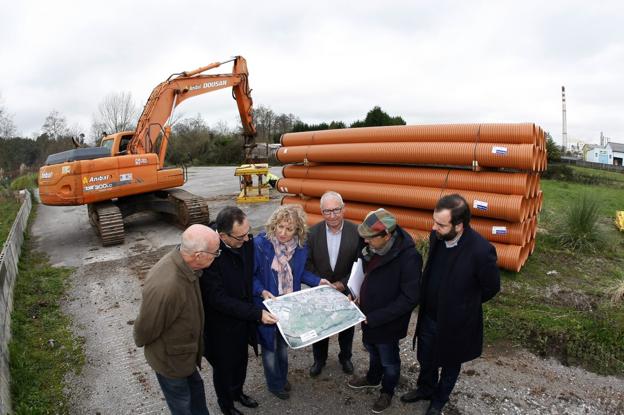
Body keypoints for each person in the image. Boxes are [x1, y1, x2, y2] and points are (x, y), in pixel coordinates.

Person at [401, 194, 501, 415]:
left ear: (459, 225)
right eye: (434, 221)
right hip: (429, 314)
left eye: (441, 224)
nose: (434, 228)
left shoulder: (481, 251)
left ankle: (438, 400)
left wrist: (464, 305)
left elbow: (491, 287)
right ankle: (425, 388)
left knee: (450, 362)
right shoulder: (438, 237)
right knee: (426, 356)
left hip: (457, 322)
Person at [133, 224, 220, 415]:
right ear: (198, 255)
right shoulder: (168, 286)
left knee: (196, 393)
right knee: (182, 406)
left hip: (184, 356)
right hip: (170, 361)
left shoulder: (186, 265)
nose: (217, 256)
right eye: (215, 253)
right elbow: (146, 329)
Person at [200, 206, 278, 415]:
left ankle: (238, 393)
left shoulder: (245, 242)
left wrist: (260, 291)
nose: (246, 240)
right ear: (223, 235)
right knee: (224, 367)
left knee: (241, 361)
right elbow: (218, 299)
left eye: (248, 233)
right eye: (241, 236)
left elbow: (249, 274)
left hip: (243, 319)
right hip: (221, 326)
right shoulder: (209, 254)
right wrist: (256, 314)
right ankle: (226, 404)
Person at [348, 208, 421, 414]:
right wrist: (353, 293)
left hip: (387, 322)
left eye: (370, 238)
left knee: (389, 360)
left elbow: (410, 298)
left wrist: (376, 317)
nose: (365, 242)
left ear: (387, 235)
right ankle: (372, 378)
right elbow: (360, 272)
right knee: (372, 350)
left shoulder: (409, 258)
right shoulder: (370, 248)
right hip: (367, 317)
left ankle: (387, 391)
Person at [252, 204, 330, 400]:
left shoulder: (300, 248)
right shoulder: (261, 244)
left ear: (298, 230)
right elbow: (250, 276)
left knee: (283, 346)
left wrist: (317, 281)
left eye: (289, 229)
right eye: (280, 227)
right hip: (266, 306)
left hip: (288, 306)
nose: (283, 233)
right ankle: (274, 384)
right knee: (270, 349)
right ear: (274, 225)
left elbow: (299, 273)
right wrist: (261, 291)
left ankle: (282, 377)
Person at [306, 191, 360, 377]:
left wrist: (342, 284)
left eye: (336, 210)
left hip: (345, 289)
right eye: (327, 211)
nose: (332, 215)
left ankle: (345, 357)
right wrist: (319, 283)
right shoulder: (312, 233)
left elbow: (359, 264)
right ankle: (319, 359)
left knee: (346, 326)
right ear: (321, 212)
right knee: (320, 326)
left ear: (343, 209)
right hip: (320, 290)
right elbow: (308, 263)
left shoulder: (357, 232)